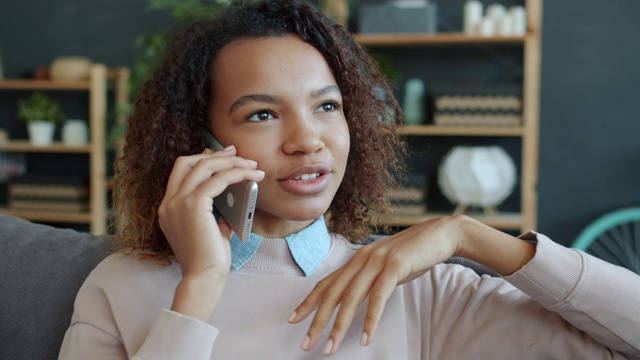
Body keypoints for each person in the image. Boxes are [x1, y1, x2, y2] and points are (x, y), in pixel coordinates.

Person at [59, 1, 640, 359]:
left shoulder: (415, 292)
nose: (307, 139)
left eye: (327, 107)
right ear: (201, 143)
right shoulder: (119, 286)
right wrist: (202, 283)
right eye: (262, 114)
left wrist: (470, 237)